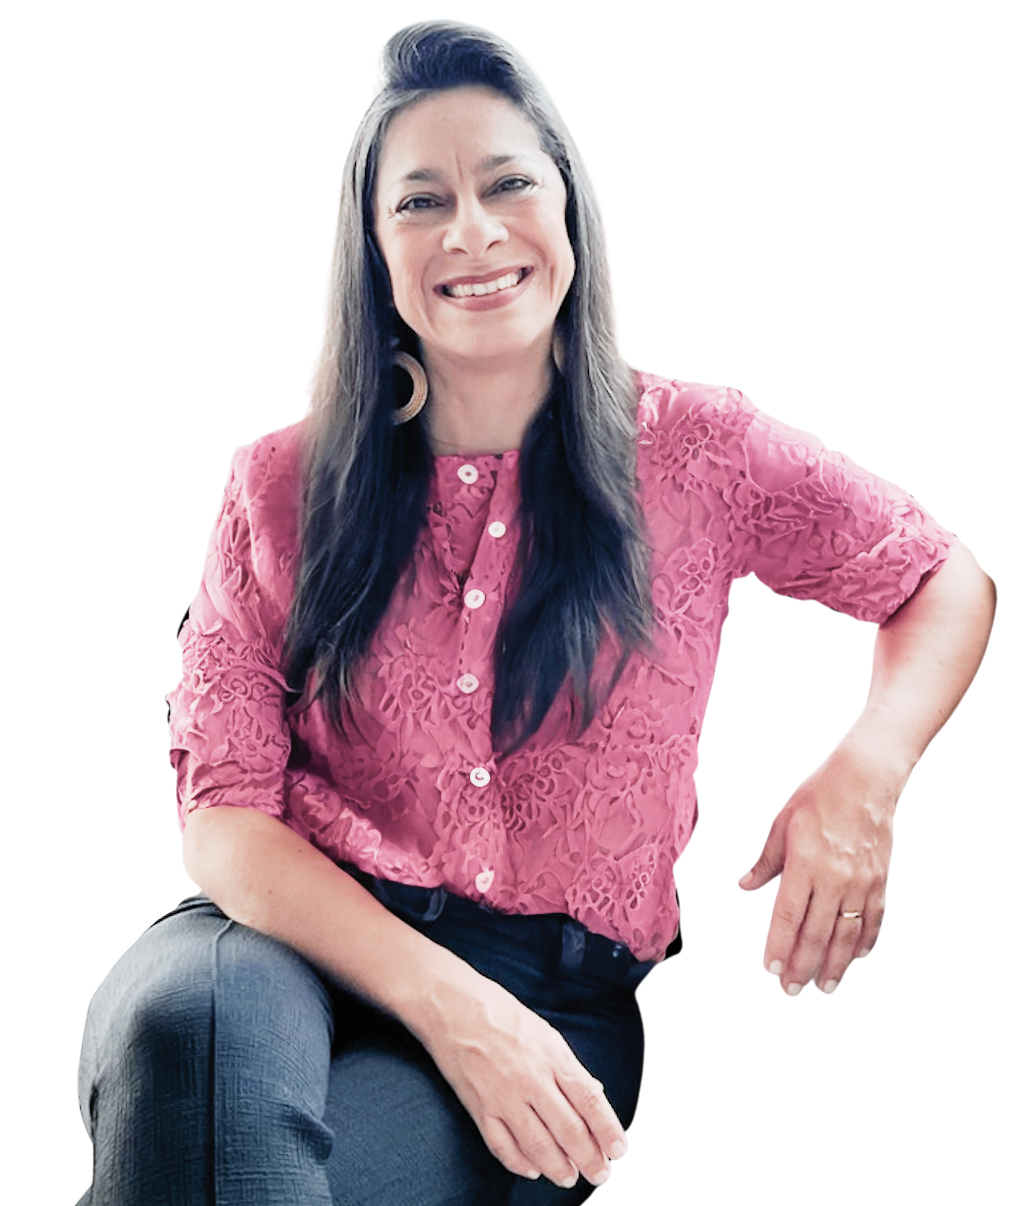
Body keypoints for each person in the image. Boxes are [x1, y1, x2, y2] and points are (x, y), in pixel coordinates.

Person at [75, 21, 995, 1206]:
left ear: (568, 209)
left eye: (506, 183)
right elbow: (224, 818)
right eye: (419, 202)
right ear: (374, 254)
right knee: (184, 1035)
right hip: (272, 938)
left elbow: (933, 575)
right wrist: (446, 1003)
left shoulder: (697, 453)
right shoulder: (278, 486)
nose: (470, 231)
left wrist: (863, 772)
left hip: (548, 994)